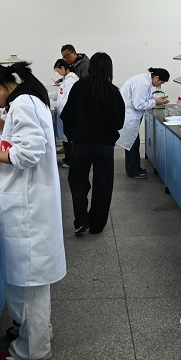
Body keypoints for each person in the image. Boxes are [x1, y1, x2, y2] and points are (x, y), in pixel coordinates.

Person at [0, 61, 66, 360]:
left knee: (32, 284)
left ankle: (33, 351)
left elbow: (28, 153)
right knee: (26, 281)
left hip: (30, 207)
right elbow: (22, 138)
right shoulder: (26, 100)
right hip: (30, 201)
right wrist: (0, 122)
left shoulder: (23, 104)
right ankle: (33, 331)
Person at [60, 52, 125, 235]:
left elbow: (67, 115)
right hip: (105, 146)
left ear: (90, 67)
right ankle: (97, 224)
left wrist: (71, 136)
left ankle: (81, 219)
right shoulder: (113, 91)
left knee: (78, 181)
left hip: (81, 144)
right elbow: (119, 122)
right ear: (109, 69)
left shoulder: (79, 87)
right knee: (103, 183)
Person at [116, 67, 170, 178]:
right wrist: (155, 102)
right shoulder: (143, 83)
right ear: (156, 78)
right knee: (132, 144)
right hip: (129, 116)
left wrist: (156, 98)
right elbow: (139, 104)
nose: (160, 84)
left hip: (131, 115)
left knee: (134, 143)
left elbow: (145, 97)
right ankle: (133, 171)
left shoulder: (145, 80)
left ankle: (136, 168)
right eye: (161, 82)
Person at [50, 59, 78, 168]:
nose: (59, 73)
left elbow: (69, 97)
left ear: (63, 68)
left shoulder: (71, 80)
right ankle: (67, 158)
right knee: (64, 138)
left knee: (67, 138)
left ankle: (70, 161)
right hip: (63, 112)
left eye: (58, 71)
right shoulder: (66, 80)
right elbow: (59, 94)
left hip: (67, 113)